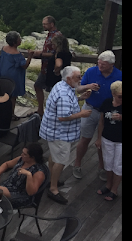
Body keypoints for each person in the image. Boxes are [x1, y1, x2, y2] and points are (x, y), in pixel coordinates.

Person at [39, 66, 94, 204]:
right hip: (60, 133)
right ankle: (53, 189)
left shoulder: (62, 85)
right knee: (61, 160)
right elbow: (63, 117)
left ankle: (51, 180)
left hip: (53, 131)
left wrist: (80, 98)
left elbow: (67, 105)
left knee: (54, 156)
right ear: (69, 78)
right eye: (78, 77)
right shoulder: (64, 93)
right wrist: (81, 114)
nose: (80, 79)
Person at [73, 50, 122, 181]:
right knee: (85, 138)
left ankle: (102, 167)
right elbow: (78, 88)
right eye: (99, 63)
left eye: (103, 65)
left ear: (112, 64)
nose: (100, 66)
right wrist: (88, 86)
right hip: (90, 108)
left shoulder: (119, 75)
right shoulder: (91, 72)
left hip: (109, 113)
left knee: (104, 142)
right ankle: (77, 164)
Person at [0, 143, 48, 208]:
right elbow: (7, 164)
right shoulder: (21, 159)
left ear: (32, 157)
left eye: (25, 154)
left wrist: (29, 175)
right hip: (8, 185)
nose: (22, 155)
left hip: (20, 195)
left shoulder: (39, 172)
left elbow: (31, 192)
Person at [30, 15, 62, 116]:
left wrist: (40, 54)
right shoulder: (50, 34)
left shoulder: (57, 36)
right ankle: (41, 110)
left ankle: (51, 112)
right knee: (38, 86)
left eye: (45, 24)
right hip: (45, 68)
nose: (43, 25)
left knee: (52, 90)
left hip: (52, 69)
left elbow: (57, 53)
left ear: (51, 24)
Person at [96, 81, 122, 202]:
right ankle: (108, 184)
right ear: (113, 94)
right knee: (108, 163)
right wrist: (99, 138)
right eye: (120, 96)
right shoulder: (107, 103)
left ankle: (114, 190)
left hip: (120, 141)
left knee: (118, 165)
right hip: (107, 138)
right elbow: (101, 122)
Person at [0, 31, 33, 120]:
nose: (20, 40)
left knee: (5, 94)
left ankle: (3, 112)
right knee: (13, 96)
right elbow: (24, 65)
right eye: (19, 39)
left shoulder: (3, 48)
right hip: (14, 76)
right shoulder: (17, 54)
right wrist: (30, 56)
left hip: (3, 74)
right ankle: (11, 114)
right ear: (15, 42)